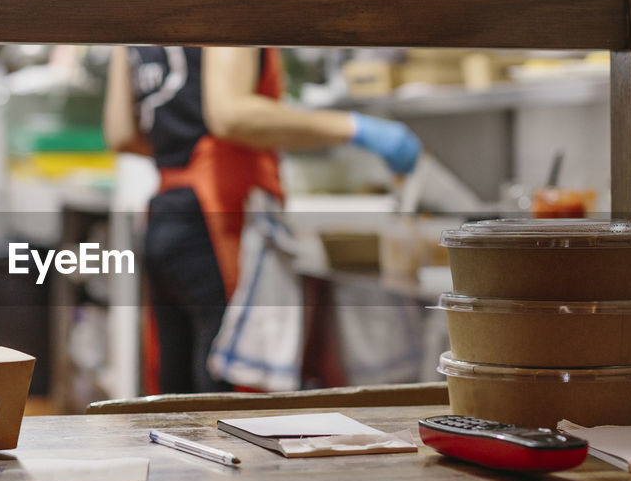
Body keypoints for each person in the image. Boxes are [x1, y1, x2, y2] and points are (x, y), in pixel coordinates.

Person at [103, 45, 419, 394]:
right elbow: (231, 115)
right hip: (219, 217)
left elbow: (121, 132)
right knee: (227, 395)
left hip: (167, 213)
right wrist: (355, 128)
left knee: (177, 397)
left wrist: (182, 148)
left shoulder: (138, 15)